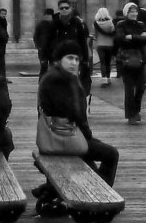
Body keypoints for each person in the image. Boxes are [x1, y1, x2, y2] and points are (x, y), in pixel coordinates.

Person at [37, 40, 118, 186]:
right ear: (59, 59)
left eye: (76, 59)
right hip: (64, 138)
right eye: (69, 58)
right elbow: (72, 112)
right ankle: (102, 192)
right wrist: (88, 136)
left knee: (93, 157)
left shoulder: (61, 77)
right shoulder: (58, 80)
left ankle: (52, 189)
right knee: (111, 154)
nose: (73, 62)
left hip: (63, 134)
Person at [113, 1, 146, 125]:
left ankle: (136, 110)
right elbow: (120, 40)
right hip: (126, 59)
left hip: (141, 59)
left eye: (135, 11)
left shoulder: (141, 24)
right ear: (126, 13)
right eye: (131, 11)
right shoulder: (121, 24)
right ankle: (131, 115)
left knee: (140, 87)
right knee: (129, 88)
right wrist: (138, 38)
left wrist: (132, 37)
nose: (134, 13)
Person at [50, 0, 92, 95]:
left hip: (73, 58)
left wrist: (85, 60)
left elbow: (82, 41)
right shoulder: (54, 24)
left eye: (66, 8)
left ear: (71, 8)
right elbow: (48, 41)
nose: (64, 9)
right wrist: (48, 57)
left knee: (73, 83)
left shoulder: (77, 23)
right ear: (59, 9)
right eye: (62, 8)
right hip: (58, 59)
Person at [92, 6, 117, 87]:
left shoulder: (96, 23)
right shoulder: (110, 22)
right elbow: (113, 33)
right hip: (109, 45)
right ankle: (109, 79)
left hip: (100, 45)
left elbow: (95, 35)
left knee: (102, 63)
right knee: (108, 63)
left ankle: (104, 80)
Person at [33, 8, 57, 75]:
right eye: (45, 15)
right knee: (44, 67)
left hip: (53, 49)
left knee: (53, 68)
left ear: (52, 16)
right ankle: (42, 83)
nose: (46, 16)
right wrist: (38, 46)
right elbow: (36, 36)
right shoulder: (40, 25)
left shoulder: (55, 24)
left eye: (48, 15)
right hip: (43, 49)